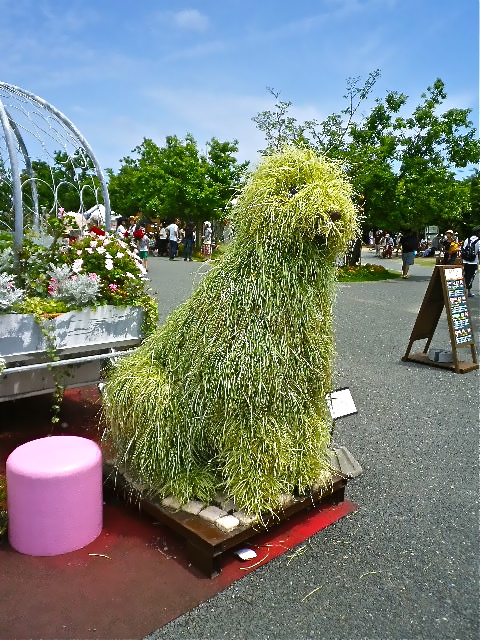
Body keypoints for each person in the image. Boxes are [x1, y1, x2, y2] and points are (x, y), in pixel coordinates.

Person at [461, 226, 480, 298]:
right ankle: (468, 292)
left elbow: (463, 249)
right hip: (473, 262)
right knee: (471, 276)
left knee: (465, 275)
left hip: (465, 261)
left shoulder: (467, 239)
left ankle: (463, 290)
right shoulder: (479, 241)